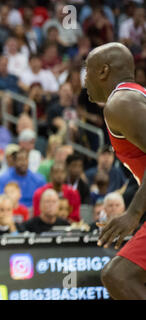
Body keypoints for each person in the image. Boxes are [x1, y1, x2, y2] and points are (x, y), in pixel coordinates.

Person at [81, 42, 146, 299]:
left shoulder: (120, 103)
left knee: (118, 276)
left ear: (103, 71)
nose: (84, 79)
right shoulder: (134, 96)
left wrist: (133, 213)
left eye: (87, 70)